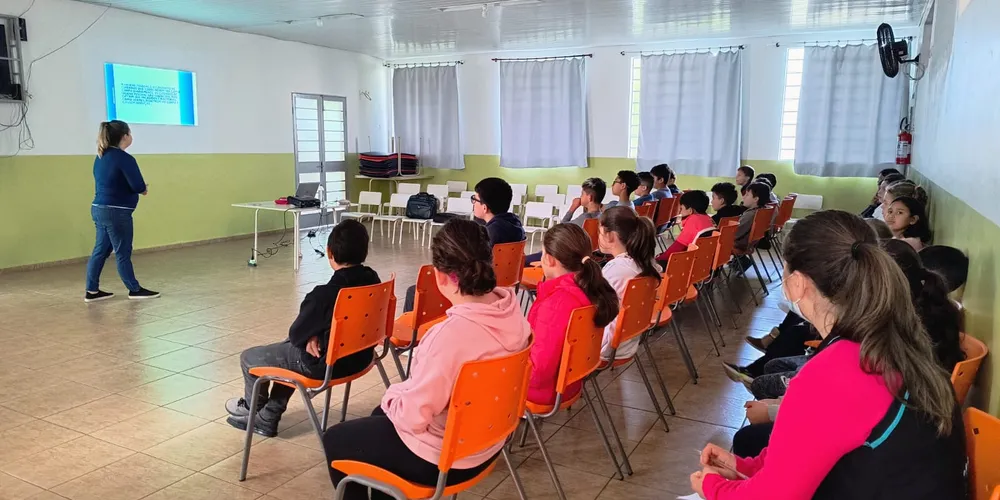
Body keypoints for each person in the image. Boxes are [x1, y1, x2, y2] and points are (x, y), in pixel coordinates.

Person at [692, 210, 966, 500]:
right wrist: (744, 467)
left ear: (797, 283)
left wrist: (712, 487)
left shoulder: (839, 371)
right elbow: (803, 458)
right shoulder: (891, 337)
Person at [322, 219, 531, 500]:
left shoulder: (449, 337)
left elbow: (413, 416)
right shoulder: (513, 313)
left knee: (335, 439)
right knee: (378, 418)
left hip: (445, 457)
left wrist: (394, 396)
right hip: (489, 441)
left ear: (441, 276)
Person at [731, 236, 966, 459]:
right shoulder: (914, 320)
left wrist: (775, 411)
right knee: (781, 358)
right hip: (889, 441)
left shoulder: (876, 336)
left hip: (869, 450)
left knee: (748, 437)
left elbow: (838, 413)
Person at [226, 220, 379, 437]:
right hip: (360, 358)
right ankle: (268, 415)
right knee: (289, 353)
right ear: (365, 250)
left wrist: (308, 334)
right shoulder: (373, 280)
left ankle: (253, 412)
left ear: (330, 252)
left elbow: (296, 333)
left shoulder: (323, 295)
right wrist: (314, 333)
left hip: (325, 366)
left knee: (250, 358)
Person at [527, 224, 619, 405]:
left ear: (549, 259)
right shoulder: (591, 289)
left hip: (544, 391)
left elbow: (537, 374)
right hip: (572, 382)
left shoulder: (557, 303)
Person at [404, 177, 525, 311]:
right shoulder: (515, 225)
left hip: (476, 287)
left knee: (413, 292)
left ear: (484, 207)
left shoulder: (490, 233)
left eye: (475, 199)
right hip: (505, 283)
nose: (473, 203)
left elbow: (467, 264)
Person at [85, 120, 159, 302]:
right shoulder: (124, 158)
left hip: (99, 208)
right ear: (125, 136)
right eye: (130, 133)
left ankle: (91, 291)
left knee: (100, 250)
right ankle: (134, 289)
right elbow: (137, 184)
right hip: (116, 212)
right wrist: (143, 189)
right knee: (123, 251)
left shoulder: (101, 156)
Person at [597, 206, 661, 360]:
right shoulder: (648, 264)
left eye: (599, 232)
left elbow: (589, 306)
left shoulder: (616, 269)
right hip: (628, 342)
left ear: (610, 236)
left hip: (605, 346)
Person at [655, 190, 714, 266]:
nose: (680, 212)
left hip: (688, 265)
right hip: (704, 264)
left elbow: (678, 247)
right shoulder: (709, 219)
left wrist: (659, 259)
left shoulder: (694, 220)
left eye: (681, 209)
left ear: (690, 210)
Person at [733, 182, 771, 251]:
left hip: (738, 243)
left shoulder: (750, 214)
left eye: (747, 195)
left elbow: (735, 233)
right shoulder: (762, 210)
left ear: (756, 199)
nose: (743, 197)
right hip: (751, 243)